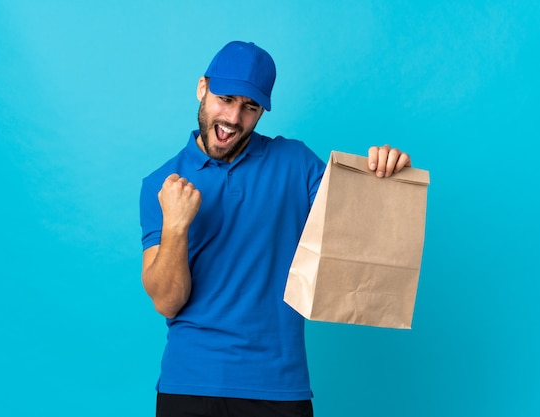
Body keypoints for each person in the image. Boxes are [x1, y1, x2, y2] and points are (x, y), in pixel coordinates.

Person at [140, 41, 411, 417]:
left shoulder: (296, 163)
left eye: (250, 107)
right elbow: (167, 302)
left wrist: (388, 173)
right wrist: (175, 225)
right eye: (226, 98)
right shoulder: (162, 184)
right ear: (202, 88)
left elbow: (364, 230)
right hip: (190, 385)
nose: (234, 118)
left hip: (280, 388)